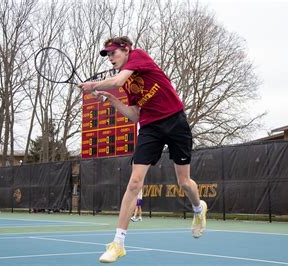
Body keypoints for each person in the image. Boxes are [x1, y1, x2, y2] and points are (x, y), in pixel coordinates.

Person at [79, 36, 207, 263]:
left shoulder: (139, 56)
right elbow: (135, 114)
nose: (110, 58)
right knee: (135, 182)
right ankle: (118, 243)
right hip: (150, 127)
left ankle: (198, 209)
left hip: (175, 121)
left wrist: (94, 86)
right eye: (107, 55)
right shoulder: (127, 82)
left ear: (126, 50)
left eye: (113, 53)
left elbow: (117, 81)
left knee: (184, 182)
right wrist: (112, 100)